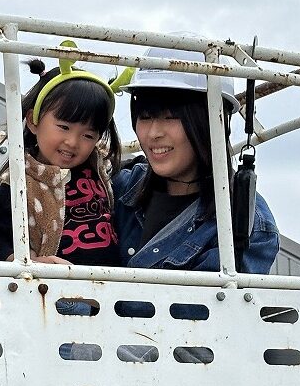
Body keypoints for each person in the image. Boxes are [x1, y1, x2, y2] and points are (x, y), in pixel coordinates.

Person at [113, 45, 279, 275]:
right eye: (145, 116)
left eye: (171, 117)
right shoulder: (118, 187)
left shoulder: (246, 223)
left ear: (211, 121)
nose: (153, 133)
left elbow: (208, 308)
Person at [0, 46, 123, 267]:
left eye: (88, 134)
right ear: (33, 121)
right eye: (63, 126)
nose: (73, 142)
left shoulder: (102, 171)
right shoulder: (20, 181)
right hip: (52, 292)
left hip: (108, 291)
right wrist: (33, 263)